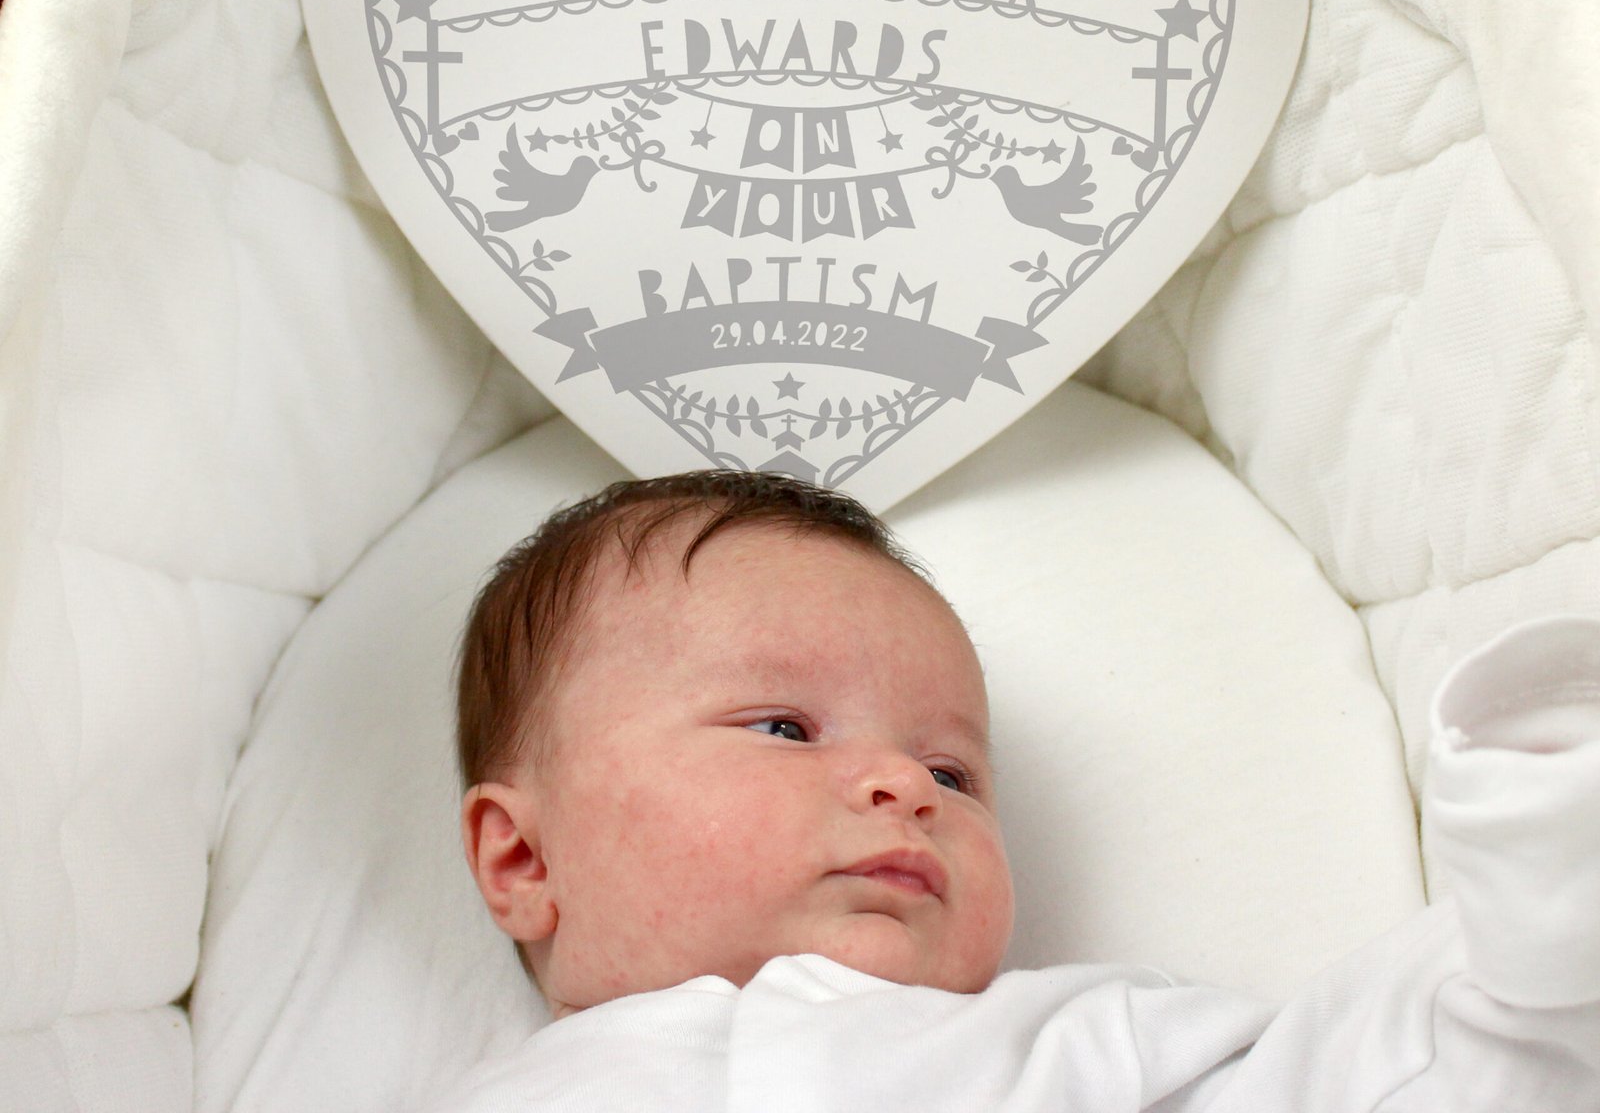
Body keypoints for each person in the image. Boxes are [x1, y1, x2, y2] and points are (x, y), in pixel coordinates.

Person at [437, 469, 1600, 1111]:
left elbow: (1371, 1076)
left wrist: (1539, 863)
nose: (906, 783)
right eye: (783, 727)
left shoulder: (1077, 1044)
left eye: (953, 771)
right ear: (523, 859)